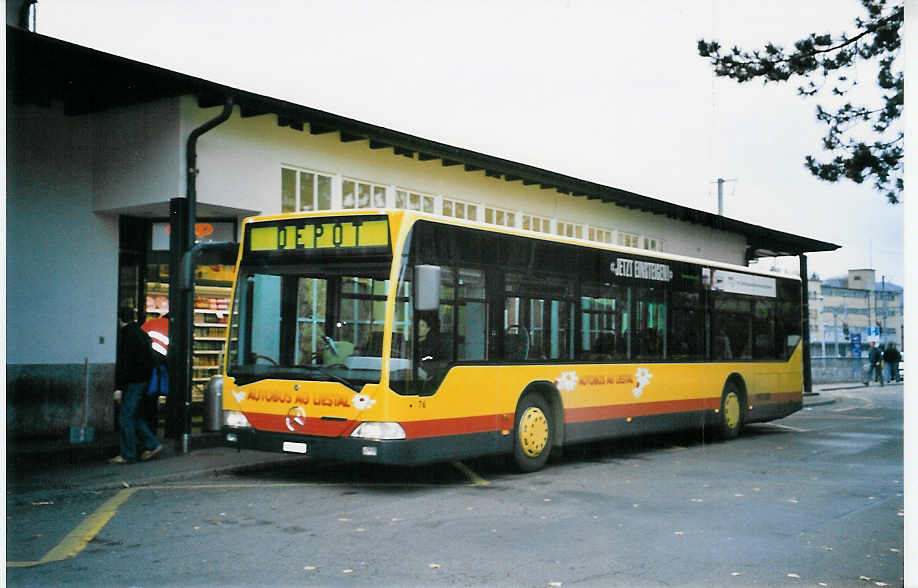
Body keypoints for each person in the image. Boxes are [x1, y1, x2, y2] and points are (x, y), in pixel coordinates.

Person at [109, 307, 163, 464]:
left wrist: (119, 387)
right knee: (134, 416)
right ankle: (152, 444)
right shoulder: (142, 334)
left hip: (132, 383)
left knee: (125, 418)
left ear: (120, 319)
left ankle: (128, 454)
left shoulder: (127, 336)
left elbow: (125, 365)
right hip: (143, 381)